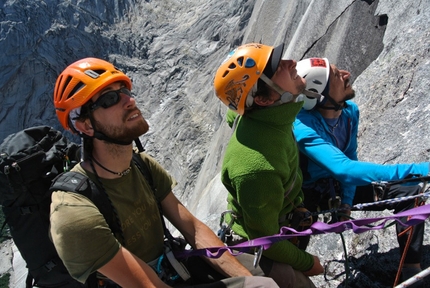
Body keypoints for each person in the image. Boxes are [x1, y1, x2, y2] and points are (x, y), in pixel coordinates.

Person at [50, 57, 280, 288]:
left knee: (282, 276)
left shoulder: (141, 165)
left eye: (125, 90)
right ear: (85, 126)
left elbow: (193, 229)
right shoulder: (73, 211)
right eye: (110, 98)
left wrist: (248, 279)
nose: (129, 101)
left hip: (170, 268)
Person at [293, 57, 428, 285]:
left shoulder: (349, 112)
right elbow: (344, 169)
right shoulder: (302, 125)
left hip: (336, 187)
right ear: (320, 93)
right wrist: (420, 169)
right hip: (305, 197)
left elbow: (349, 157)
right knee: (293, 258)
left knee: (410, 193)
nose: (346, 73)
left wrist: (346, 201)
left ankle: (410, 271)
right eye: (336, 75)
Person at [213, 43, 324, 288]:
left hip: (280, 217)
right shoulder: (257, 168)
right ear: (263, 99)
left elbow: (235, 113)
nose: (292, 62)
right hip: (258, 241)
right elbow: (265, 238)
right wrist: (307, 263)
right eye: (276, 69)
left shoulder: (266, 115)